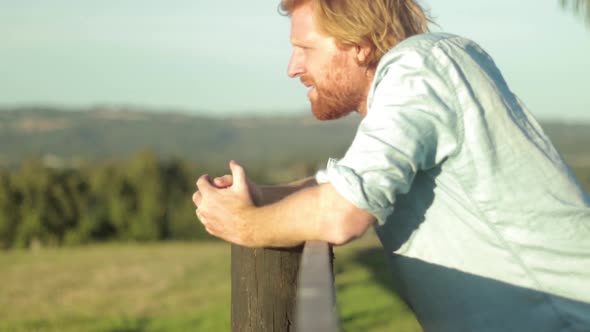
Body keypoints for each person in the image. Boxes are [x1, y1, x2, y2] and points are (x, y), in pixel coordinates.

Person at [192, 0, 590, 330]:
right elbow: (341, 184)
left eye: (306, 48)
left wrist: (245, 225)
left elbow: (344, 213)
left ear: (359, 44)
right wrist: (259, 196)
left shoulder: (417, 69)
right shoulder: (430, 66)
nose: (293, 67)